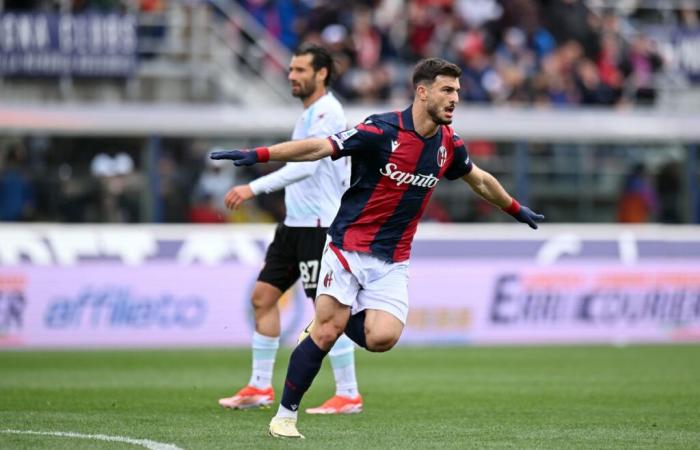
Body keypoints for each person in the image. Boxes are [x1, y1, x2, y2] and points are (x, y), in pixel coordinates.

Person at [211, 57, 544, 439]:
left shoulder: (448, 145)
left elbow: (480, 180)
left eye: (457, 91)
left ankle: (325, 320)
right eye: (447, 90)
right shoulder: (381, 129)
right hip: (348, 247)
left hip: (393, 259)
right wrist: (259, 155)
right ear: (422, 92)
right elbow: (319, 147)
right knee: (327, 331)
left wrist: (515, 209)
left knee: (382, 338)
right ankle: (285, 416)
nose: (455, 98)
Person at [217, 43, 364, 415]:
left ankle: (348, 393)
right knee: (263, 298)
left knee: (327, 312)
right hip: (293, 225)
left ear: (322, 74)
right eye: (291, 69)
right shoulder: (309, 114)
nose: (291, 76)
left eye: (300, 70)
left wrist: (254, 185)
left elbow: (307, 165)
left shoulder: (328, 112)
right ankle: (260, 387)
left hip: (319, 226)